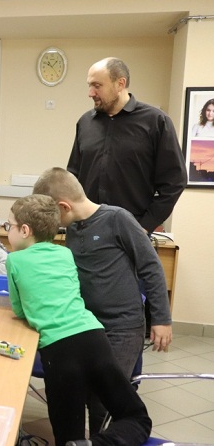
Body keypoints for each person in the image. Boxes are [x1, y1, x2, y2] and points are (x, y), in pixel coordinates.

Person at [33, 167, 172, 435]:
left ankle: (103, 439)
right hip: (88, 326)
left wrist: (162, 319)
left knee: (103, 400)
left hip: (123, 328)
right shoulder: (73, 229)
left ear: (64, 207)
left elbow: (151, 267)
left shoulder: (118, 219)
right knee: (80, 391)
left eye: (52, 215)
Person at [5, 194, 151, 446]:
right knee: (136, 416)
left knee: (67, 435)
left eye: (9, 226)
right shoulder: (65, 254)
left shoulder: (14, 260)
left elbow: (20, 310)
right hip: (95, 339)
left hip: (59, 351)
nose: (7, 230)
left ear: (25, 230)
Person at [67, 57, 187, 235]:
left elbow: (175, 181)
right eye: (89, 86)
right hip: (85, 230)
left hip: (130, 233)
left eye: (97, 86)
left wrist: (145, 226)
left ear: (120, 84)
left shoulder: (156, 122)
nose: (90, 93)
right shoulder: (85, 122)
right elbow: (73, 175)